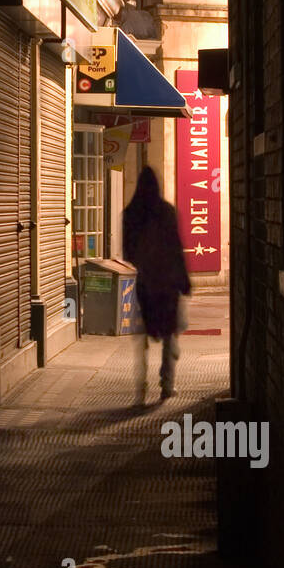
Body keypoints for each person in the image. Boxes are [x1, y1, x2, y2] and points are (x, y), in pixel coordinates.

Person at [123, 165, 191, 404]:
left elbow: (127, 252)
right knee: (170, 332)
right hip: (168, 283)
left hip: (145, 283)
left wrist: (145, 263)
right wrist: (184, 280)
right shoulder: (167, 211)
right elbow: (176, 248)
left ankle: (140, 389)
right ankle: (167, 383)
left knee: (141, 337)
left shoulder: (130, 214)